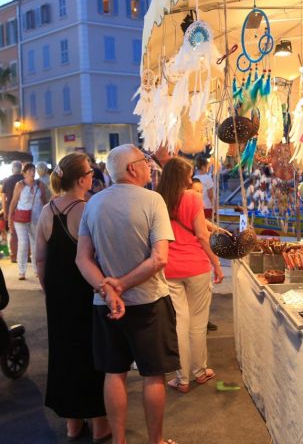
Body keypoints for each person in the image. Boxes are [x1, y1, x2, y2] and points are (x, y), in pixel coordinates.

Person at [76, 144, 179, 444]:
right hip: (149, 301)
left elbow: (83, 258)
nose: (150, 166)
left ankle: (118, 440)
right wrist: (120, 285)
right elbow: (159, 258)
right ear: (132, 168)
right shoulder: (152, 200)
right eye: (146, 161)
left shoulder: (93, 203)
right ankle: (155, 441)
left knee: (114, 372)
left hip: (105, 305)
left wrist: (108, 290)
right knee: (153, 375)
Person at [34, 152, 111, 442]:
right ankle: (100, 422)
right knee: (93, 354)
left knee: (64, 354)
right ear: (82, 179)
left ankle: (72, 423)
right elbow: (99, 255)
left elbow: (40, 258)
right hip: (85, 292)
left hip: (57, 293)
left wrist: (47, 289)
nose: (93, 175)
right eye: (90, 172)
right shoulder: (88, 209)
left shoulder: (46, 210)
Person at [156, 157, 224, 393]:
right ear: (181, 177)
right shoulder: (193, 198)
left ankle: (181, 378)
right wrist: (216, 263)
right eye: (188, 175)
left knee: (179, 324)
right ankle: (199, 371)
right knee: (197, 323)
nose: (189, 178)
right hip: (196, 266)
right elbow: (202, 236)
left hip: (169, 268)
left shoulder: (158, 200)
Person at [8, 162, 41, 280]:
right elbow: (13, 202)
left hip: (36, 217)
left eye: (33, 170)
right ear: (24, 173)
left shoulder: (39, 184)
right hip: (21, 217)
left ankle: (37, 269)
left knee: (36, 243)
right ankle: (21, 270)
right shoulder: (20, 185)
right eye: (29, 171)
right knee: (23, 243)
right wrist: (9, 219)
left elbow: (45, 201)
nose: (32, 173)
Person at [2, 161, 25, 263]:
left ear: (12, 169)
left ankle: (13, 256)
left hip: (10, 210)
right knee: (25, 234)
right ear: (21, 169)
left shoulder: (7, 181)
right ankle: (27, 255)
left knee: (13, 233)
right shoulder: (24, 180)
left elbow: (3, 197)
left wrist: (5, 211)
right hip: (23, 209)